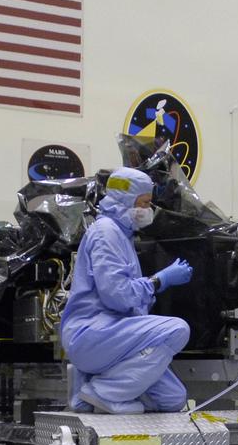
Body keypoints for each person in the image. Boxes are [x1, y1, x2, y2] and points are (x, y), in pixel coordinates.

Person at [60, 167, 193, 414]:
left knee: (173, 399)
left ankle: (85, 389)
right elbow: (118, 296)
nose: (147, 210)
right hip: (92, 333)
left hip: (113, 336)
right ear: (123, 201)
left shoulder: (123, 235)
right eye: (143, 203)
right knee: (177, 329)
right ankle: (102, 392)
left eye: (149, 203)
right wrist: (159, 281)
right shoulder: (106, 233)